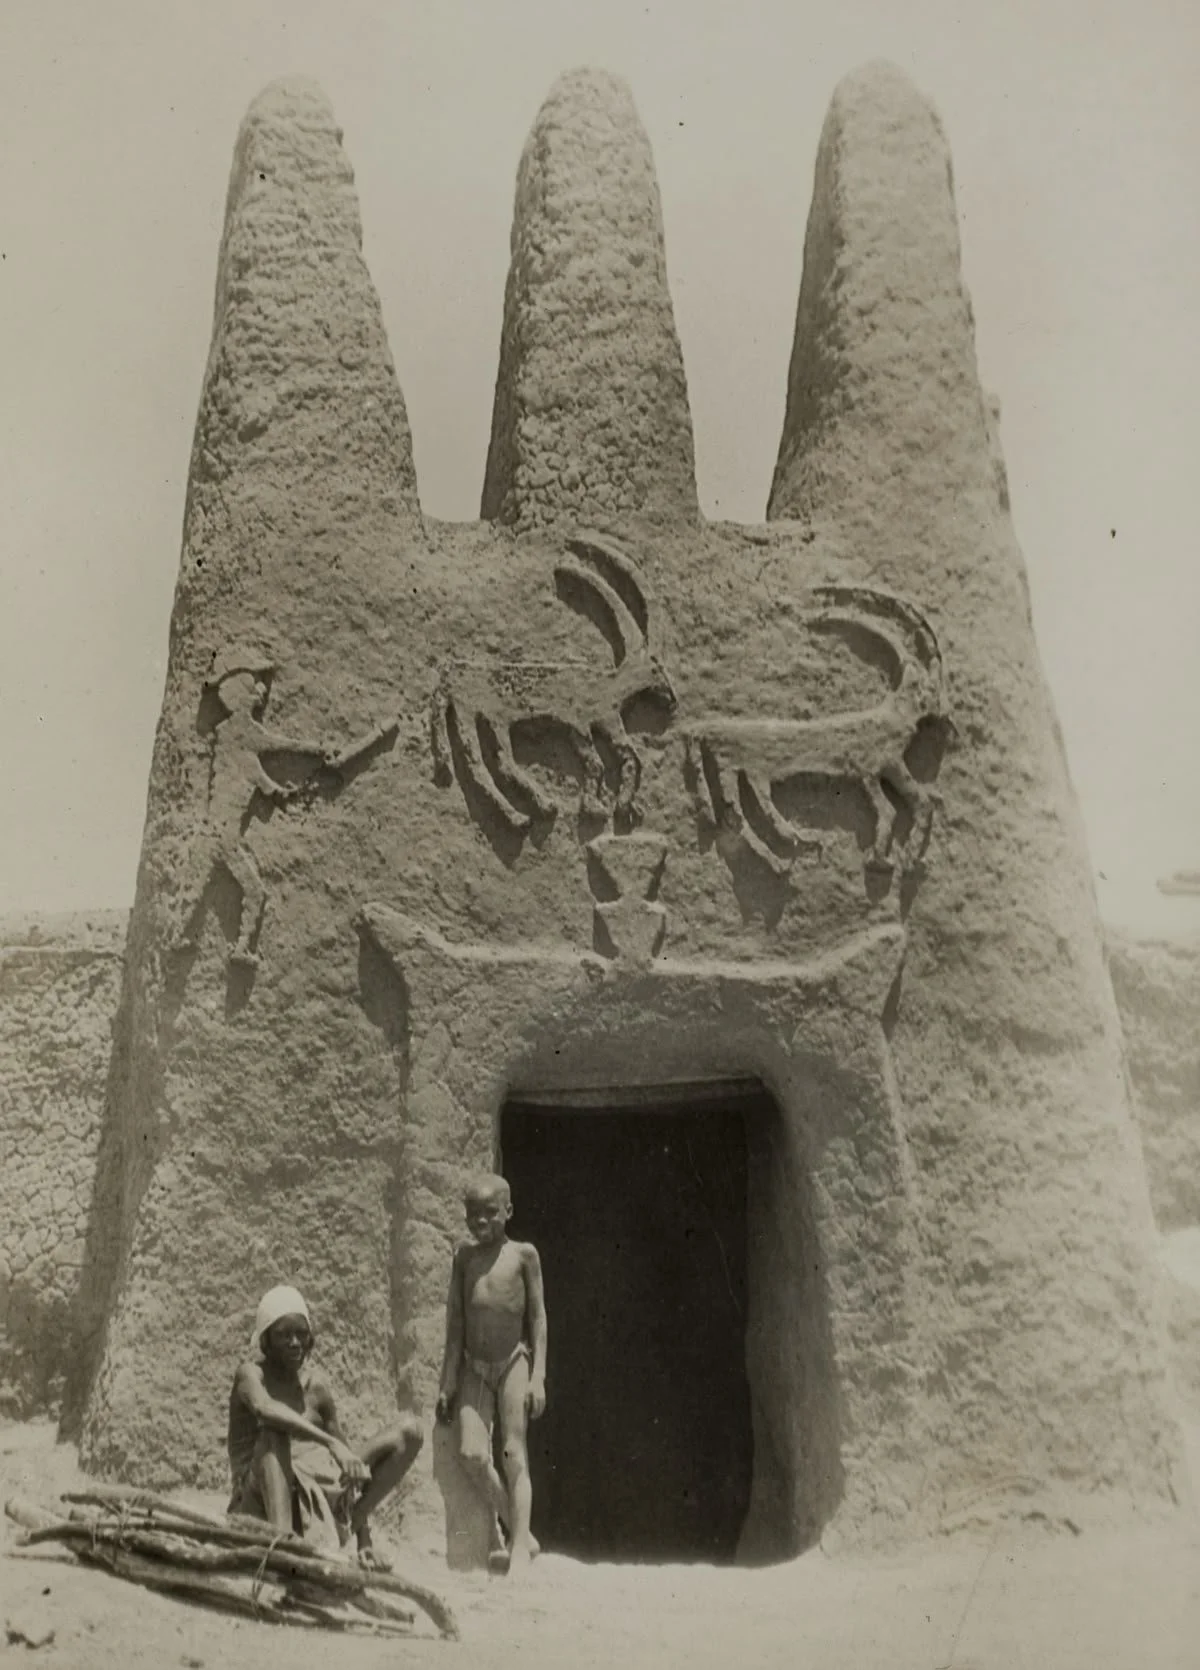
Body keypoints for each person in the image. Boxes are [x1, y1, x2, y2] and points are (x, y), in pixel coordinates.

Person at [227, 1284, 422, 1568]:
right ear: (266, 1342)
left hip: (317, 1501)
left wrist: (364, 1541)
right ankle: (282, 1551)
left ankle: (347, 1533)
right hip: (258, 1509)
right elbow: (265, 1410)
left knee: (409, 1432)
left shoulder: (316, 1390)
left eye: (301, 1334)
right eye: (284, 1335)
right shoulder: (250, 1375)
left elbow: (350, 1468)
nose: (295, 1342)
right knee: (274, 1436)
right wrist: (330, 1443)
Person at [435, 1174, 547, 1577]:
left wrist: (538, 1377)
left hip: (513, 1362)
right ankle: (522, 1530)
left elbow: (537, 1318)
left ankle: (518, 1550)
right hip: (475, 1368)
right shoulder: (464, 1259)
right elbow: (456, 1325)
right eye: (472, 1214)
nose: (480, 1221)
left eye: (489, 1213)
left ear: (508, 1212)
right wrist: (448, 1383)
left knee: (514, 1453)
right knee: (472, 1454)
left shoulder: (523, 1255)